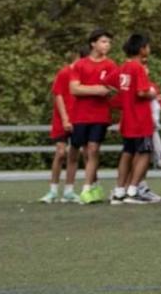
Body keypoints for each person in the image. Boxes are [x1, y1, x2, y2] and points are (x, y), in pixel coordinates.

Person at [68, 29, 120, 204]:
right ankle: (95, 184)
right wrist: (97, 89)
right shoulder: (80, 65)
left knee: (93, 149)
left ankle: (86, 189)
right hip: (81, 115)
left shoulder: (111, 65)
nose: (107, 45)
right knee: (85, 151)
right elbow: (74, 89)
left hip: (100, 115)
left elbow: (112, 89)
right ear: (93, 43)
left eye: (109, 42)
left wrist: (89, 89)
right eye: (104, 41)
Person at [111, 33, 160, 204]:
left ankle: (119, 191)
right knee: (145, 153)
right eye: (147, 46)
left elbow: (110, 84)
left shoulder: (123, 67)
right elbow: (141, 92)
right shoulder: (138, 68)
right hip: (140, 119)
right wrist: (153, 93)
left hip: (127, 119)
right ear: (142, 49)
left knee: (127, 153)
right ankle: (133, 190)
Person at [41, 47, 83, 204]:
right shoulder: (65, 73)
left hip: (79, 119)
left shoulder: (83, 75)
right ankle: (52, 190)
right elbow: (58, 95)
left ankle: (69, 191)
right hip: (62, 119)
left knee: (74, 154)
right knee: (60, 153)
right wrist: (65, 118)